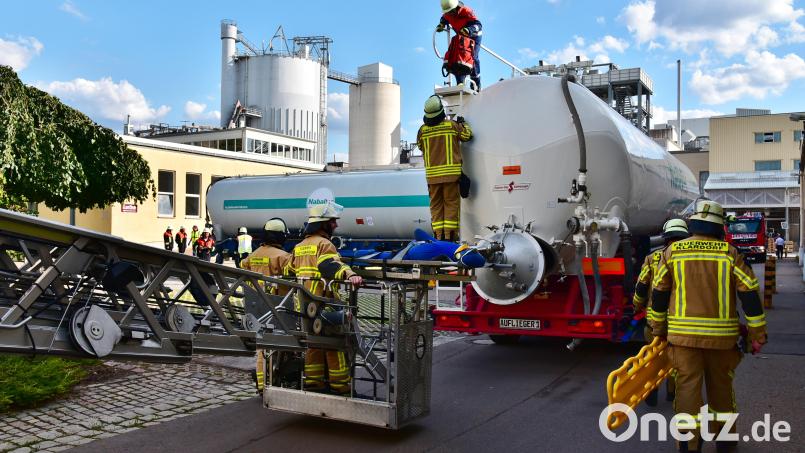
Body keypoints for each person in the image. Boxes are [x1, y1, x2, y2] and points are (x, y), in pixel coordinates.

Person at [650, 200, 767, 453]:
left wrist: (658, 330)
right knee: (721, 390)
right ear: (718, 227)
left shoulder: (673, 252)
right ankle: (724, 441)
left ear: (694, 224)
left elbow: (659, 293)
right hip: (722, 341)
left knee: (687, 392)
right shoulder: (730, 253)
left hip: (682, 340)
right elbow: (750, 295)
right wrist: (757, 335)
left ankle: (689, 444)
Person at [289, 201, 362, 394]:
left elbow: (289, 269)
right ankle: (340, 387)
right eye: (332, 222)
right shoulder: (324, 244)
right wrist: (349, 274)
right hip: (323, 304)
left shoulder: (300, 246)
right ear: (323, 224)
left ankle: (314, 383)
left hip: (304, 307)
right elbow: (328, 265)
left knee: (313, 345)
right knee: (335, 346)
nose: (336, 225)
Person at [632, 218, 690, 406]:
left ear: (665, 238)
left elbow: (641, 286)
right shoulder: (690, 258)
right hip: (680, 319)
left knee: (654, 354)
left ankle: (651, 389)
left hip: (653, 319)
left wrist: (637, 305)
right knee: (676, 357)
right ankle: (672, 393)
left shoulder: (652, 258)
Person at [241, 218, 294, 392]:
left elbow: (243, 269)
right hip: (277, 308)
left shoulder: (253, 255)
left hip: (256, 308)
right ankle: (275, 381)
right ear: (281, 237)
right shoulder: (284, 257)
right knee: (277, 346)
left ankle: (262, 384)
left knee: (261, 349)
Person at [417, 95, 473, 241]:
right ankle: (450, 237)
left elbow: (420, 146)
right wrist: (463, 123)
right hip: (451, 176)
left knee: (435, 206)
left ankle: (438, 236)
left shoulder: (422, 131)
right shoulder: (451, 126)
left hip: (432, 177)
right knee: (451, 204)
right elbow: (467, 135)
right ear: (441, 111)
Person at [438, 0, 483, 88]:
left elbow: (478, 25)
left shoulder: (466, 11)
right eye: (448, 12)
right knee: (457, 57)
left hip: (474, 35)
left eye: (451, 11)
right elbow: (443, 19)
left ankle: (476, 84)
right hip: (461, 36)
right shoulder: (447, 13)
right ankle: (460, 82)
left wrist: (468, 30)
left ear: (456, 7)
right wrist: (441, 25)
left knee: (472, 58)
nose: (450, 14)